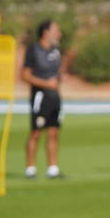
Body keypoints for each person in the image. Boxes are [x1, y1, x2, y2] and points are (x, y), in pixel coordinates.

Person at [21, 19, 64, 180]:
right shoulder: (33, 50)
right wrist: (46, 84)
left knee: (53, 132)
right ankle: (30, 169)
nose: (59, 34)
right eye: (56, 30)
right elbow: (24, 75)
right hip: (40, 97)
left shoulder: (56, 50)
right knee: (36, 132)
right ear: (46, 33)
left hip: (55, 97)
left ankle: (52, 169)